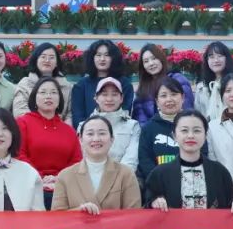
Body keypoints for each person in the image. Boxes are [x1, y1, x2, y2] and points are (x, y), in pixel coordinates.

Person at [16, 76, 82, 208]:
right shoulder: (22, 123)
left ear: (60, 99)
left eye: (53, 92)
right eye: (43, 92)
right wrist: (39, 178)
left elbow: (76, 162)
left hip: (62, 189)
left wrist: (59, 179)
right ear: (34, 97)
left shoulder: (69, 130)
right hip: (29, 186)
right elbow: (19, 155)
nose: (48, 96)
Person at [136, 78, 194, 185]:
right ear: (157, 101)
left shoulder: (194, 124)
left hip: (191, 183)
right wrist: (160, 182)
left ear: (183, 97)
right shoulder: (148, 128)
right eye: (163, 96)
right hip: (158, 185)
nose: (169, 99)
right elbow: (145, 160)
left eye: (174, 94)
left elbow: (202, 153)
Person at [76, 77, 140, 173]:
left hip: (122, 179)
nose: (109, 99)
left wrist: (117, 178)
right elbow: (81, 157)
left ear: (121, 98)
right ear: (96, 98)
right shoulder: (83, 126)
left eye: (114, 94)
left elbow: (131, 160)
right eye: (104, 94)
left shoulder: (132, 126)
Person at [70, 40, 134, 127]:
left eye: (107, 55)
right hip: (88, 132)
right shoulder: (82, 85)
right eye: (98, 55)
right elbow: (78, 116)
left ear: (114, 58)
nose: (102, 59)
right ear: (92, 58)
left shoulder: (124, 84)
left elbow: (125, 113)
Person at [131, 44, 194, 126]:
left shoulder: (178, 80)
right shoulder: (143, 88)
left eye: (154, 58)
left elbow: (187, 110)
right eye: (146, 61)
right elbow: (140, 119)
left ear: (161, 59)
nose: (151, 63)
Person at [13, 43, 73, 122]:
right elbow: (20, 112)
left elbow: (70, 113)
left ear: (57, 63)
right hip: (31, 127)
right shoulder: (25, 84)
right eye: (43, 57)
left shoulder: (66, 86)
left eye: (51, 57)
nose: (47, 60)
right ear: (36, 60)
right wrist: (43, 125)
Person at [194, 42, 233, 120]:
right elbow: (198, 114)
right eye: (211, 57)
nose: (216, 60)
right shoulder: (201, 87)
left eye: (220, 56)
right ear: (207, 60)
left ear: (227, 58)